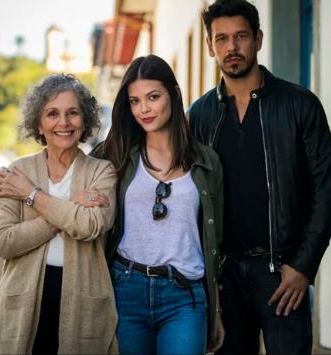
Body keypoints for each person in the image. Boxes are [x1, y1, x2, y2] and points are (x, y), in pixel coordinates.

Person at [187, 0, 331, 354]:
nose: (232, 47)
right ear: (210, 46)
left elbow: (325, 190)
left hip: (282, 273)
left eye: (240, 36)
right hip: (224, 277)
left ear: (258, 39)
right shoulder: (201, 114)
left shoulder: (300, 105)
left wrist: (303, 267)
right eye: (221, 39)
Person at [91, 54, 225, 354]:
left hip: (185, 294)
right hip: (126, 288)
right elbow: (76, 188)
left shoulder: (207, 162)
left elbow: (216, 241)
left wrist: (216, 311)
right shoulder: (113, 154)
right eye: (135, 101)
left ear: (174, 95)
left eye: (153, 97)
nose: (143, 109)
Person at [0, 73, 118, 354]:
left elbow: (89, 226)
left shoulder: (102, 171)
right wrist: (70, 203)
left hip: (82, 297)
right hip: (24, 297)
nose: (63, 123)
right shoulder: (18, 173)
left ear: (84, 120)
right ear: (39, 122)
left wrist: (32, 195)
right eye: (52, 114)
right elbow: (3, 242)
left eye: (72, 113)